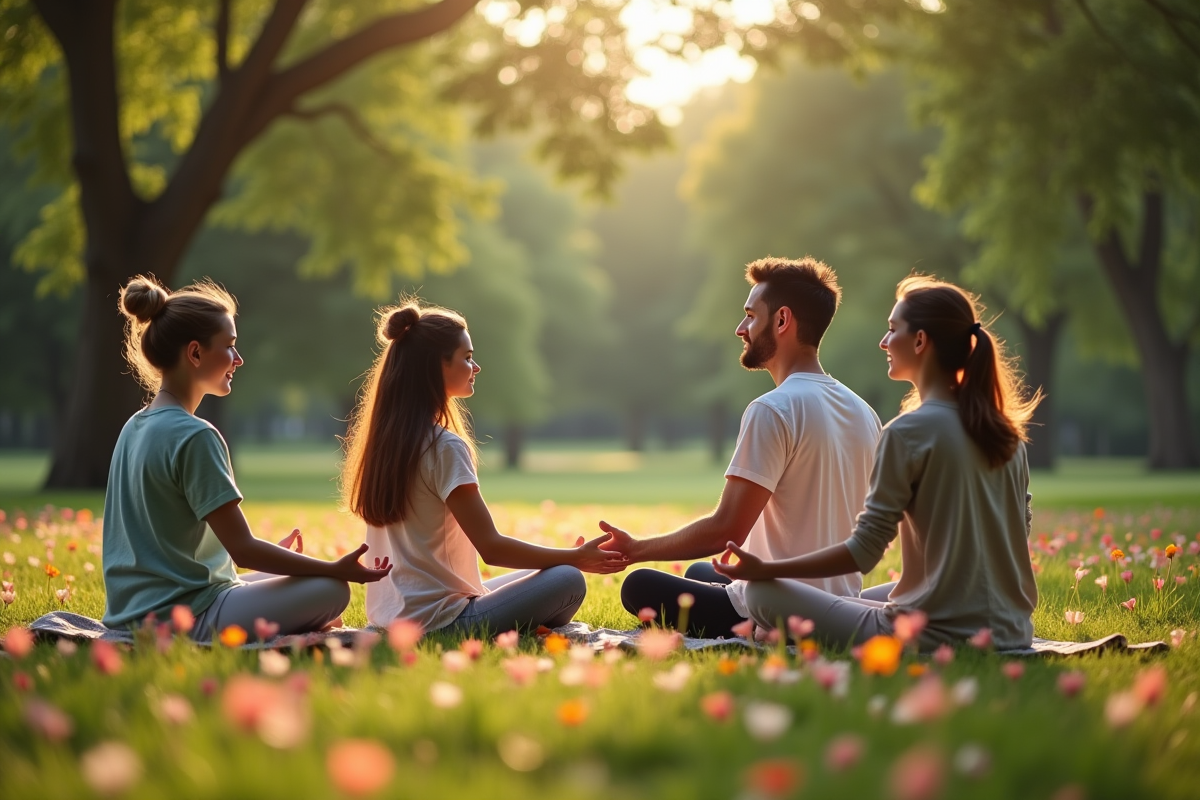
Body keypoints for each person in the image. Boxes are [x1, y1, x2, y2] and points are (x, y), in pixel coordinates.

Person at [712, 275, 1041, 651]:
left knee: (760, 594)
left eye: (892, 330)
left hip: (928, 634)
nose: (884, 342)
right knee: (871, 594)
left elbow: (865, 551)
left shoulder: (907, 432)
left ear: (920, 341)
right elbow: (1019, 528)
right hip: (1010, 628)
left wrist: (767, 570)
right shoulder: (1005, 434)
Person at [599, 257, 883, 637]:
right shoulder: (864, 412)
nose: (740, 328)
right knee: (704, 571)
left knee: (639, 586)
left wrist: (636, 549)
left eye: (751, 315)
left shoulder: (773, 409)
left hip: (773, 609)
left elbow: (724, 530)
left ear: (782, 321)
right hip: (839, 601)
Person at [103, 275, 392, 641]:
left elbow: (177, 545)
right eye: (229, 347)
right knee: (332, 589)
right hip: (185, 616)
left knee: (298, 575)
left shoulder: (134, 426)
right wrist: (336, 569)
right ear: (195, 353)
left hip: (131, 612)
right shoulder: (195, 435)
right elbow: (242, 550)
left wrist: (280, 561)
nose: (238, 360)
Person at [341, 299, 627, 635]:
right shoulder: (443, 446)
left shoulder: (387, 442)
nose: (475, 367)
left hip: (394, 618)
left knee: (545, 574)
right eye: (467, 358)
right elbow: (491, 548)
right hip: (443, 622)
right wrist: (576, 557)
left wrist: (565, 555)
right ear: (436, 366)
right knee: (567, 579)